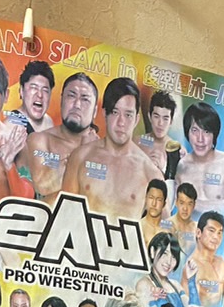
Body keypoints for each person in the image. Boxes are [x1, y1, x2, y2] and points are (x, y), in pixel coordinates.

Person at [62, 77, 164, 220]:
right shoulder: (80, 157)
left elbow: (160, 229)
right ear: (105, 113)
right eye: (115, 112)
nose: (121, 122)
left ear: (136, 119)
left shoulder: (150, 173)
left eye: (128, 115)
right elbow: (65, 215)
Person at [18, 73, 99, 204]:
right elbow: (43, 187)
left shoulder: (103, 152)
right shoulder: (39, 140)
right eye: (71, 96)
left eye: (85, 99)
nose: (77, 104)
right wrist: (82, 153)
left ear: (95, 111)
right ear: (61, 101)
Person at [175, 100, 224, 212]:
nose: (200, 139)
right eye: (195, 130)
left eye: (206, 132)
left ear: (214, 134)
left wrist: (191, 202)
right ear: (187, 132)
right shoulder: (180, 165)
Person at [134, 232, 187, 307]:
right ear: (152, 252)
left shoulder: (176, 285)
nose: (168, 262)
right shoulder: (144, 284)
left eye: (174, 256)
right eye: (165, 253)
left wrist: (189, 279)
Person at [183, 210, 224, 307]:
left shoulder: (222, 263)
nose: (216, 237)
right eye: (211, 231)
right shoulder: (191, 266)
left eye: (219, 232)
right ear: (199, 233)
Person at [135, 90, 183, 183]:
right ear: (149, 116)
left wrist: (163, 169)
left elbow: (179, 188)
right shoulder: (136, 142)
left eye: (165, 118)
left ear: (171, 121)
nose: (160, 123)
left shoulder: (178, 151)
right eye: (156, 116)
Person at [10, 59, 55, 134]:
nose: (40, 95)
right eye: (34, 88)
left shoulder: (48, 121)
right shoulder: (11, 127)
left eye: (45, 90)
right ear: (21, 91)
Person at [139, 178, 169, 249]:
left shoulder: (169, 230)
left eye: (159, 200)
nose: (154, 203)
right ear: (146, 199)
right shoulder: (139, 227)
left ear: (164, 204)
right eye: (151, 198)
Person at [172, 181, 198, 260]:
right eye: (182, 203)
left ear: (194, 205)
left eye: (189, 204)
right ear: (176, 202)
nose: (185, 208)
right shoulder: (167, 225)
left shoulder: (197, 228)